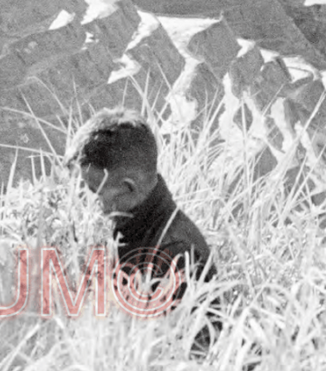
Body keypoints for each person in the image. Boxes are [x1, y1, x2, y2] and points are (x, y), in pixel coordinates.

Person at [65, 109, 220, 353]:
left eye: (95, 190)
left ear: (129, 188)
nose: (89, 200)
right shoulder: (131, 223)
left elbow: (190, 362)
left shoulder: (176, 256)